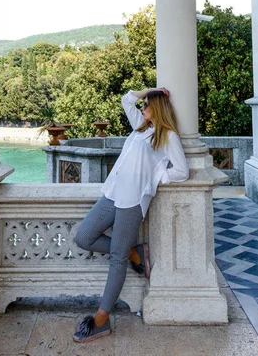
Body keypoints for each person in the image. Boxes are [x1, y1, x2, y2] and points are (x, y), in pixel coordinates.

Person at [73, 87, 189, 343]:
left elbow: (182, 171)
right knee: (83, 237)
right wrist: (148, 91)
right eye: (144, 104)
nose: (142, 107)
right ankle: (135, 252)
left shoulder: (168, 136)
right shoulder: (141, 127)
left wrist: (152, 179)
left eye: (147, 104)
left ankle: (101, 321)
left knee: (116, 257)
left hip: (133, 201)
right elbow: (126, 99)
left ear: (157, 108)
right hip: (112, 194)